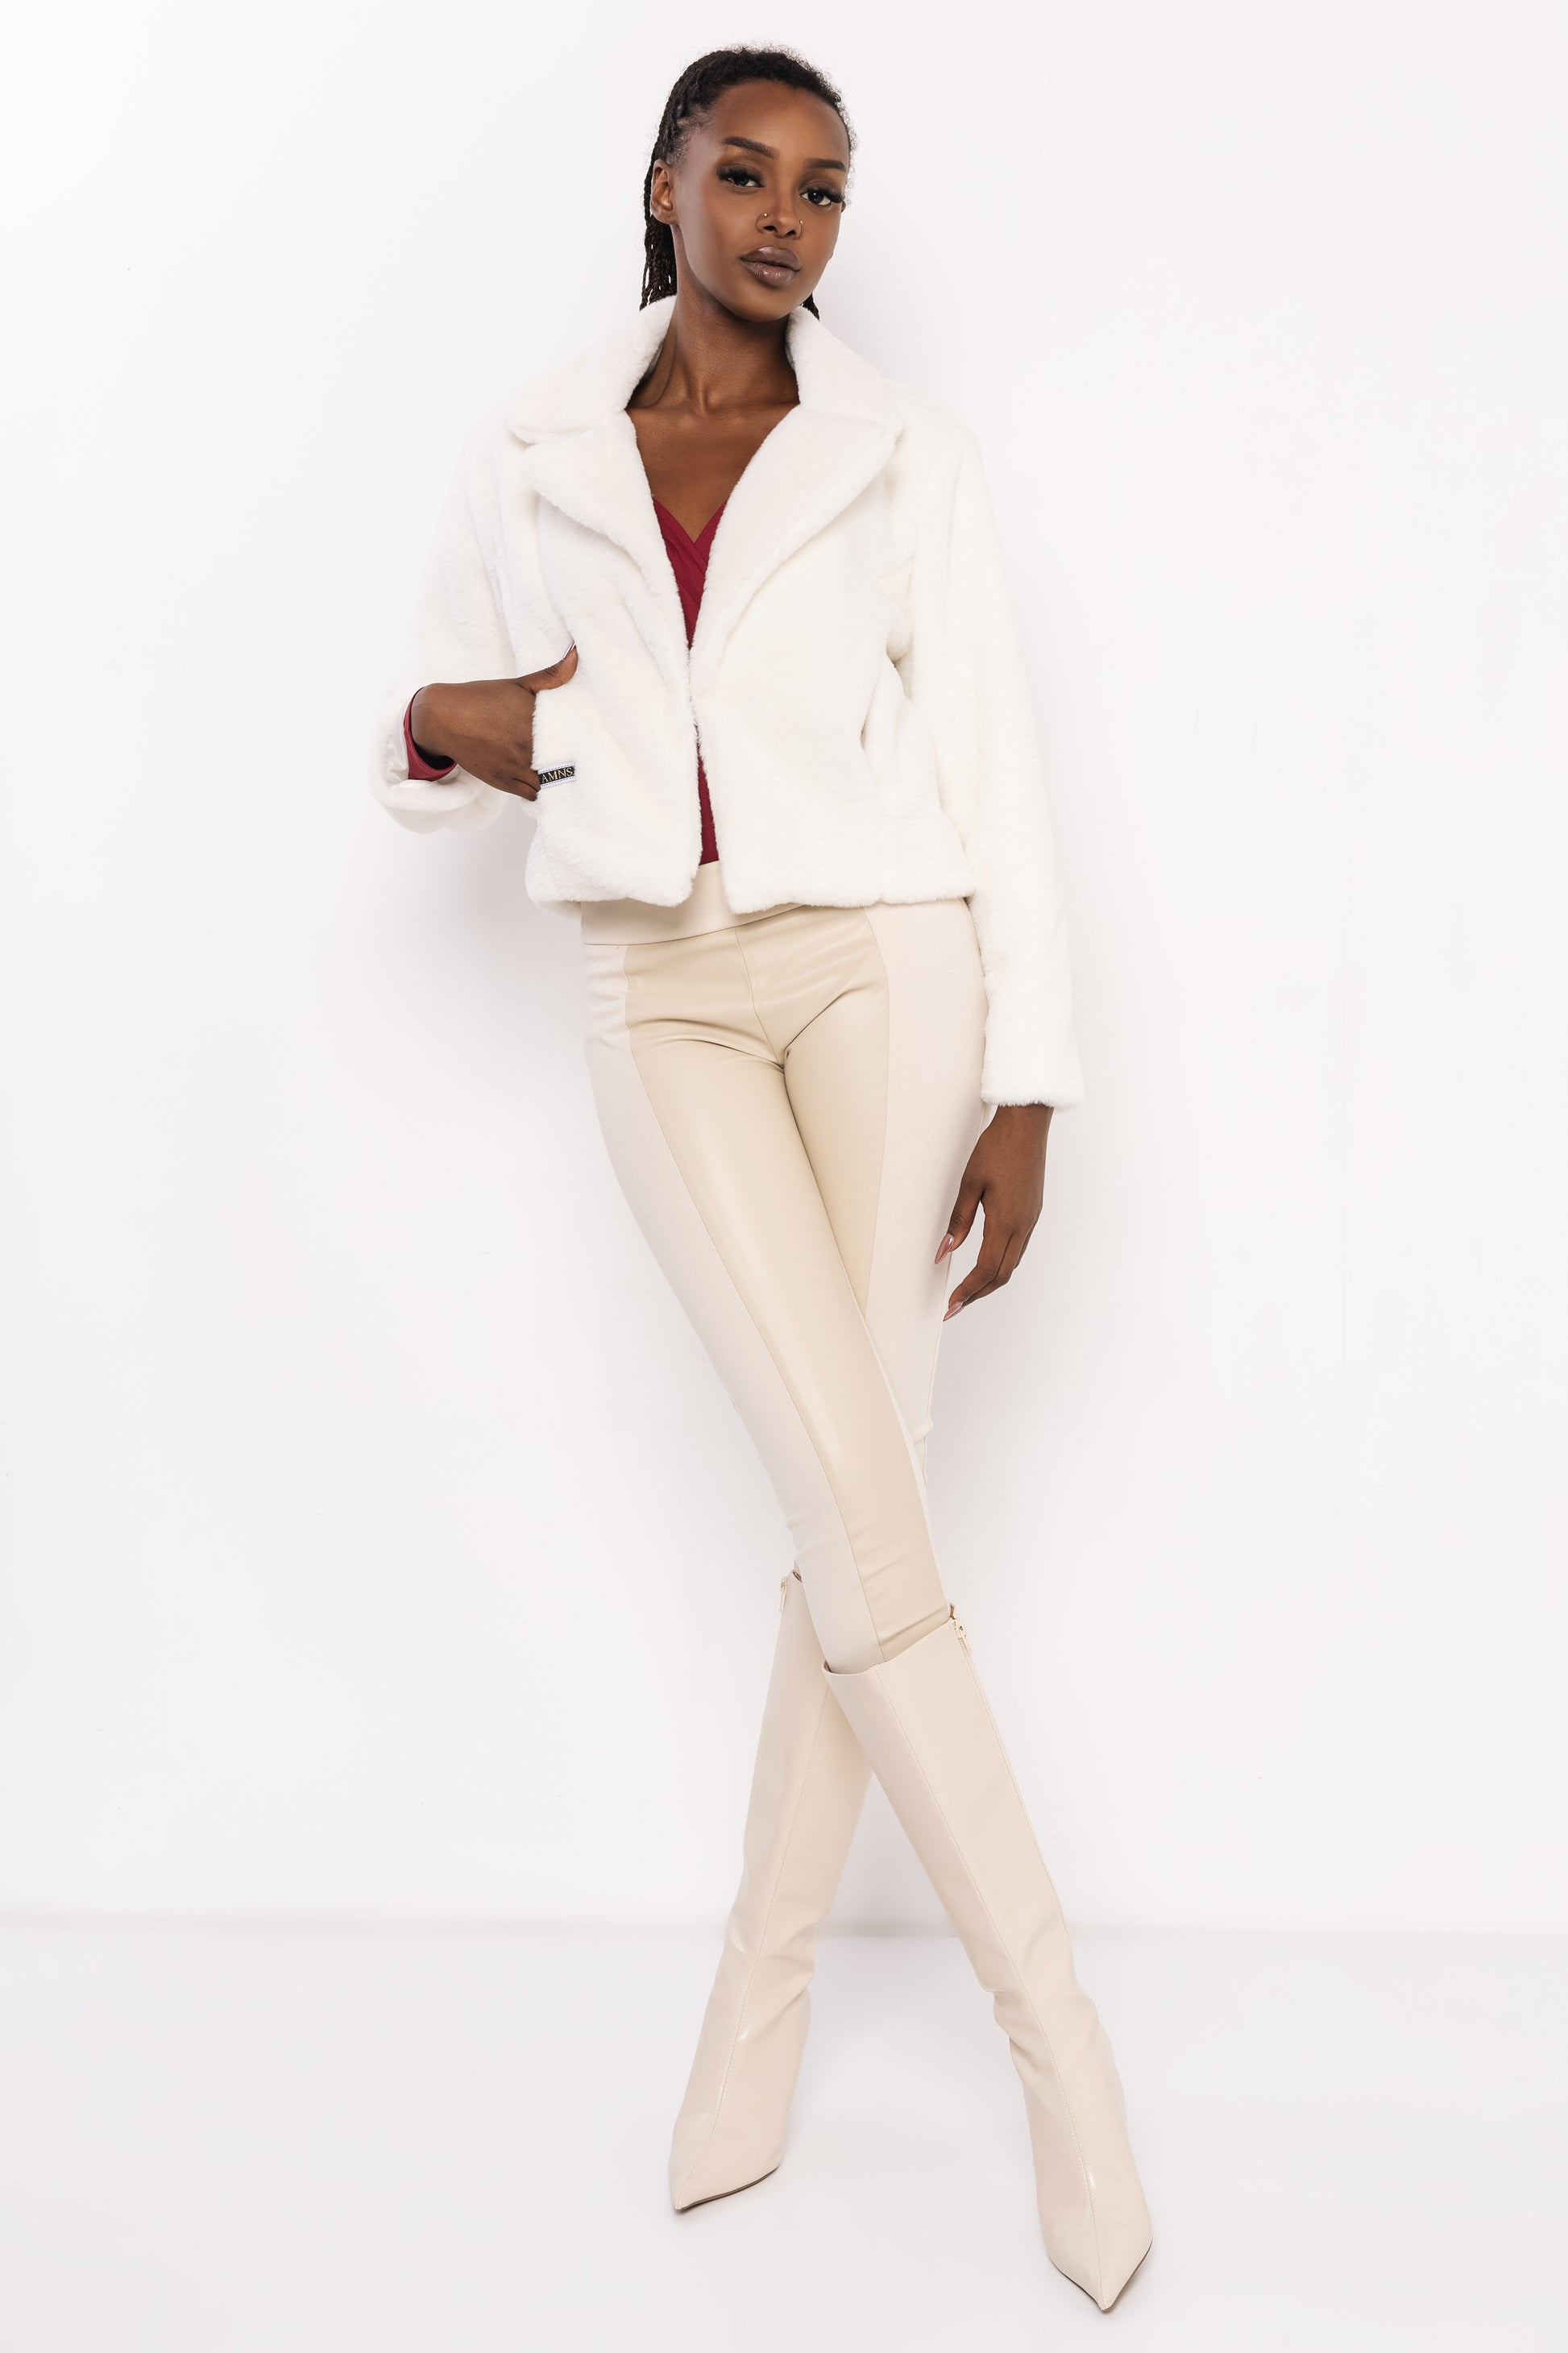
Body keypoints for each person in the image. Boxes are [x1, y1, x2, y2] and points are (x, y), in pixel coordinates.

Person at [369, 44, 1152, 2313]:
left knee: (853, 1491)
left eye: (821, 188)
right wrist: (457, 726)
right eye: (744, 174)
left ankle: (842, 2017)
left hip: (886, 967)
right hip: (661, 988)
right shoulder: (533, 449)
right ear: (664, 186)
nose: (784, 217)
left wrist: (1031, 1082)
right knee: (853, 1494)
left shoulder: (901, 451)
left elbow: (993, 765)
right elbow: (437, 734)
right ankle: (1029, 2041)